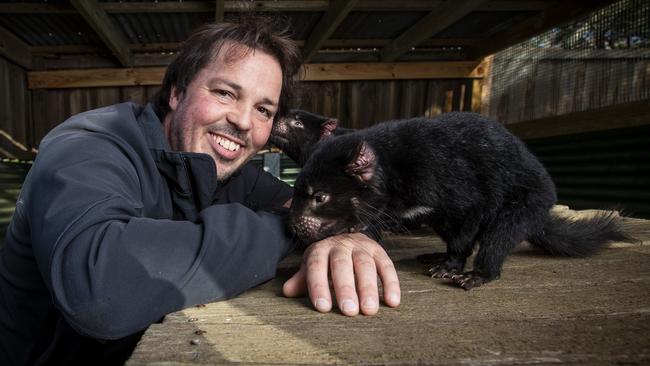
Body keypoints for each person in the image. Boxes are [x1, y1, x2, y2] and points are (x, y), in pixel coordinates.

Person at [0, 19, 400, 365]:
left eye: (264, 110)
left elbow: (337, 206)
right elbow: (98, 289)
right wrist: (299, 227)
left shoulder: (228, 174)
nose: (243, 121)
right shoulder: (88, 145)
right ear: (177, 91)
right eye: (225, 93)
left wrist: (348, 237)